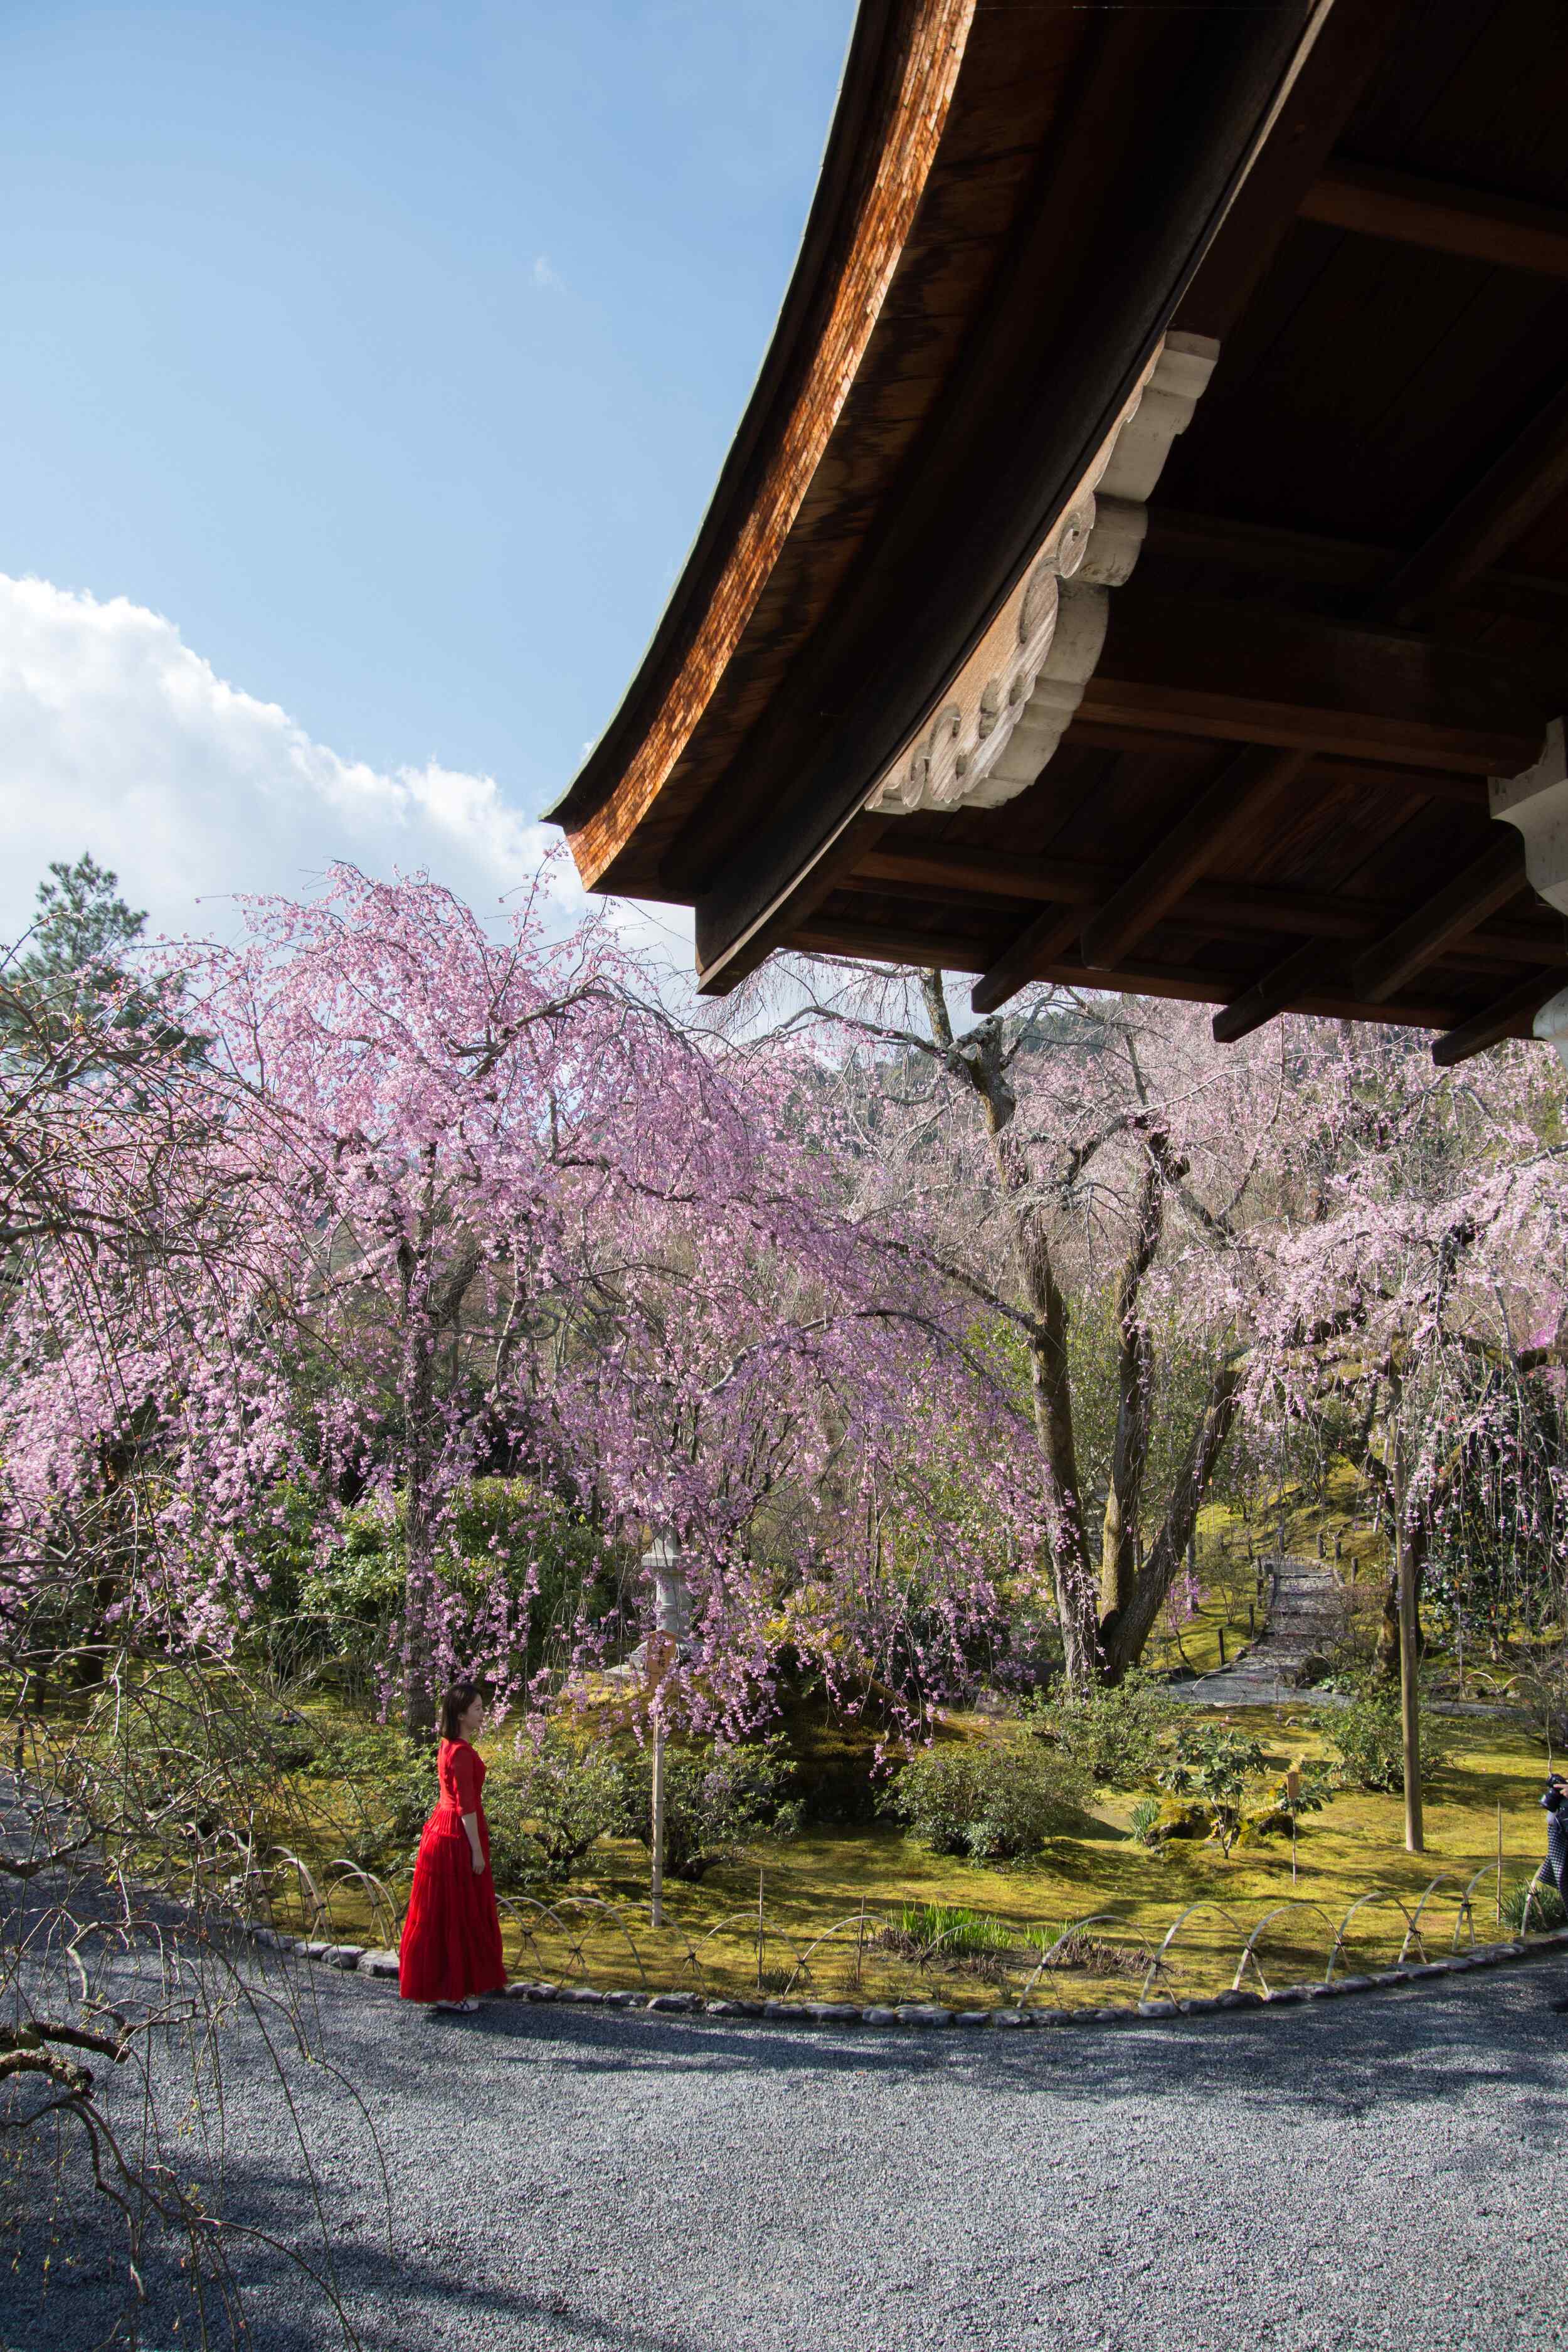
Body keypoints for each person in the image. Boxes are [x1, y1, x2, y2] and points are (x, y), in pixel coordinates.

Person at [398, 1680, 507, 2013]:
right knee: (457, 1911)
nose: (482, 1713)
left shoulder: (447, 1745)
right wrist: (476, 1850)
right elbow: (467, 1806)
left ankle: (448, 1985)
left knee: (445, 1910)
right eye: (477, 1709)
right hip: (455, 1835)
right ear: (461, 1715)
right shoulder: (459, 1752)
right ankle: (453, 1989)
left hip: (442, 1827)